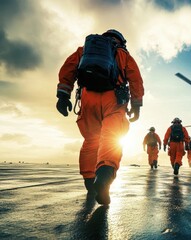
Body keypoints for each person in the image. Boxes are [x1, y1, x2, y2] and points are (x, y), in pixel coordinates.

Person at [56, 29, 144, 205]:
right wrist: (136, 104)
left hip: (88, 99)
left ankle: (90, 181)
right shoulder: (123, 54)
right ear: (121, 41)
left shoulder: (85, 50)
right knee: (112, 137)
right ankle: (103, 178)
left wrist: (63, 95)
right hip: (113, 99)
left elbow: (69, 67)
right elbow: (135, 78)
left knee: (90, 140)